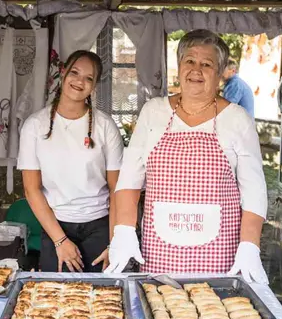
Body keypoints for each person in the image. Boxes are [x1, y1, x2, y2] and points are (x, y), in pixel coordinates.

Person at [104, 30, 269, 283]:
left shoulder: (238, 119)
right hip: (159, 252)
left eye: (207, 64)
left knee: (214, 306)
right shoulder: (153, 112)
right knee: (157, 304)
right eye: (189, 61)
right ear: (179, 66)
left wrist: (250, 245)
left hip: (218, 254)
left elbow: (254, 190)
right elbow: (129, 178)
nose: (196, 70)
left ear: (220, 73)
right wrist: (124, 230)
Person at [18, 50, 124, 273]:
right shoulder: (34, 126)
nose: (79, 81)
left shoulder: (105, 126)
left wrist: (114, 242)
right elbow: (31, 189)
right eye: (75, 72)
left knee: (103, 292)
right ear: (63, 72)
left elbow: (117, 189)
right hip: (56, 225)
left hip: (100, 226)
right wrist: (60, 241)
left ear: (94, 86)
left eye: (88, 78)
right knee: (54, 292)